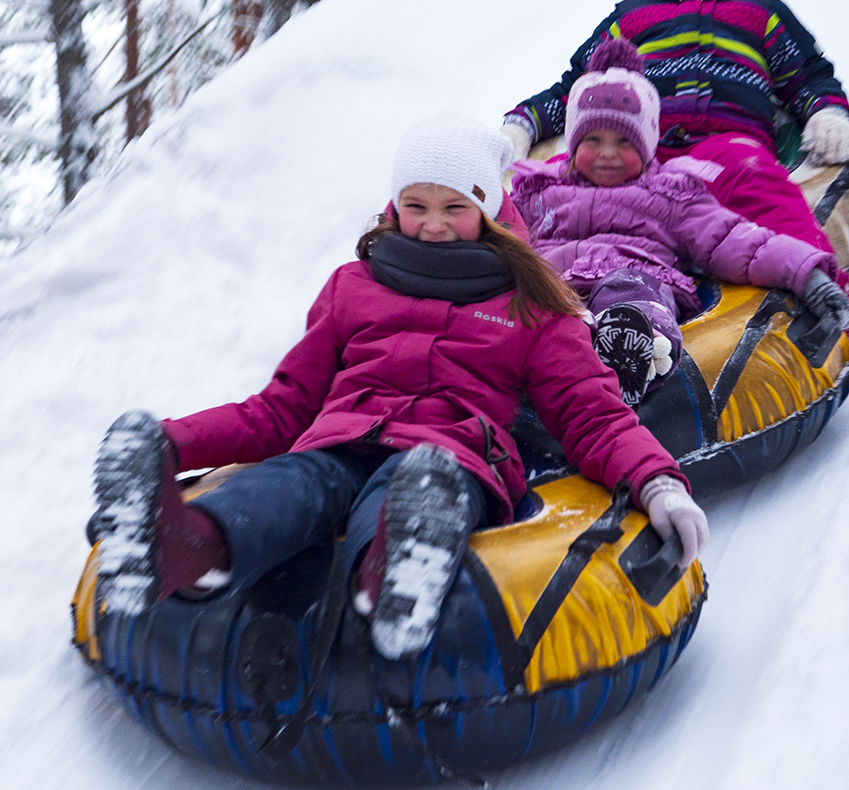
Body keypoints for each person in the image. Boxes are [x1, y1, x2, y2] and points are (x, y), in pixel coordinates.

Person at [89, 115, 707, 663]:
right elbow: (283, 409)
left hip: (454, 453)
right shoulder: (353, 286)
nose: (433, 226)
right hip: (341, 438)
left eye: (455, 207)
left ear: (490, 212)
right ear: (393, 205)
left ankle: (395, 570)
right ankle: (185, 547)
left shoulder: (532, 305)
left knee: (414, 485)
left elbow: (591, 417)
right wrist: (169, 445)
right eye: (416, 205)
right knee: (290, 482)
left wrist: (657, 483)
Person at [500, 0, 849, 303]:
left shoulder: (760, 11)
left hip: (726, 146)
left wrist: (826, 113)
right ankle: (493, 287)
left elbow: (808, 75)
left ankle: (817, 289)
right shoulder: (632, 16)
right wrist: (524, 121)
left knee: (759, 183)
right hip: (638, 149)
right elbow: (580, 88)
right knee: (547, 185)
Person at [511, 39, 849, 405]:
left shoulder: (671, 194)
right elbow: (500, 241)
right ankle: (532, 369)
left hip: (632, 278)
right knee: (524, 305)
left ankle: (633, 356)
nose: (608, 153)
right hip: (551, 286)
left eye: (625, 142)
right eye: (593, 139)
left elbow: (737, 241)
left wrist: (808, 275)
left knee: (629, 295)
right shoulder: (539, 190)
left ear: (647, 146)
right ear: (573, 143)